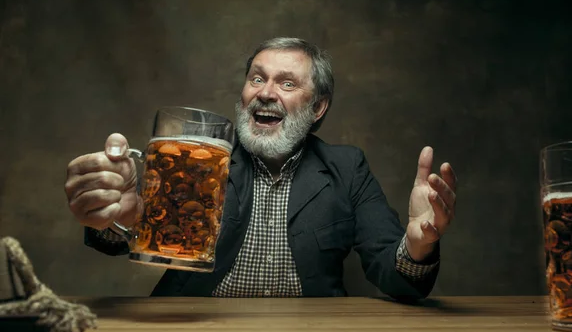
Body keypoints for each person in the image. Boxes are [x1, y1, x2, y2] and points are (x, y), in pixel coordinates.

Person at [64, 37, 457, 299]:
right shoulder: (197, 160)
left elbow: (395, 276)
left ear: (318, 107)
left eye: (287, 84)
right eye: (257, 78)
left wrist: (419, 245)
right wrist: (118, 218)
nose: (265, 93)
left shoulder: (347, 167)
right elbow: (135, 233)